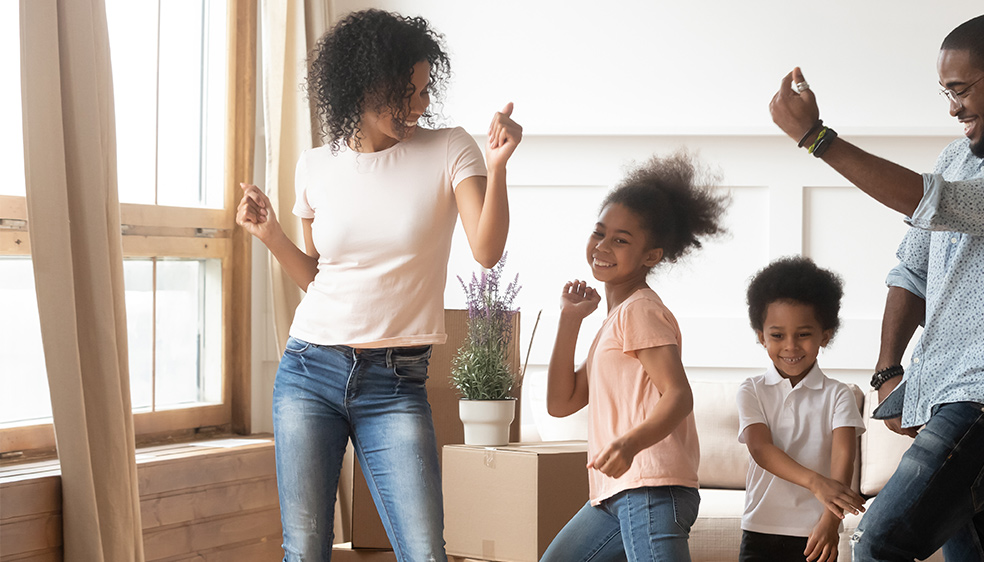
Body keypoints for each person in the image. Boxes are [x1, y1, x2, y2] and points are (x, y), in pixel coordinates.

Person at [768, 13, 984, 562]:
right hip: (948, 391)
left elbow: (936, 203)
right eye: (945, 93)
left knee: (879, 541)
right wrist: (887, 370)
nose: (953, 108)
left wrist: (817, 139)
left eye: (961, 90)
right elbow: (911, 271)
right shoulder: (957, 157)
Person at [234, 9, 522, 560]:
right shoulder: (315, 165)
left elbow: (487, 253)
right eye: (405, 92)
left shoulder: (450, 149)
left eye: (422, 90)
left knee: (423, 551)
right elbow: (317, 276)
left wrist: (499, 165)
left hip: (395, 381)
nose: (420, 105)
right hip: (307, 371)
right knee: (306, 548)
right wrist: (270, 234)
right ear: (362, 86)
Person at [541, 152, 729, 562]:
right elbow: (561, 403)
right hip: (616, 491)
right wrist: (570, 319)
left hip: (650, 486)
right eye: (599, 232)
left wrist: (628, 443)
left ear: (651, 256)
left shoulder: (640, 310)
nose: (603, 246)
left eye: (621, 240)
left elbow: (678, 396)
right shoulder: (615, 320)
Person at [736, 257, 866, 562]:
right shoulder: (751, 389)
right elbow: (760, 449)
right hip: (760, 527)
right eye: (778, 335)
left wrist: (830, 522)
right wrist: (816, 483)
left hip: (816, 531)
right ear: (761, 336)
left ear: (825, 335)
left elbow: (844, 458)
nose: (791, 346)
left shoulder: (839, 395)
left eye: (804, 334)